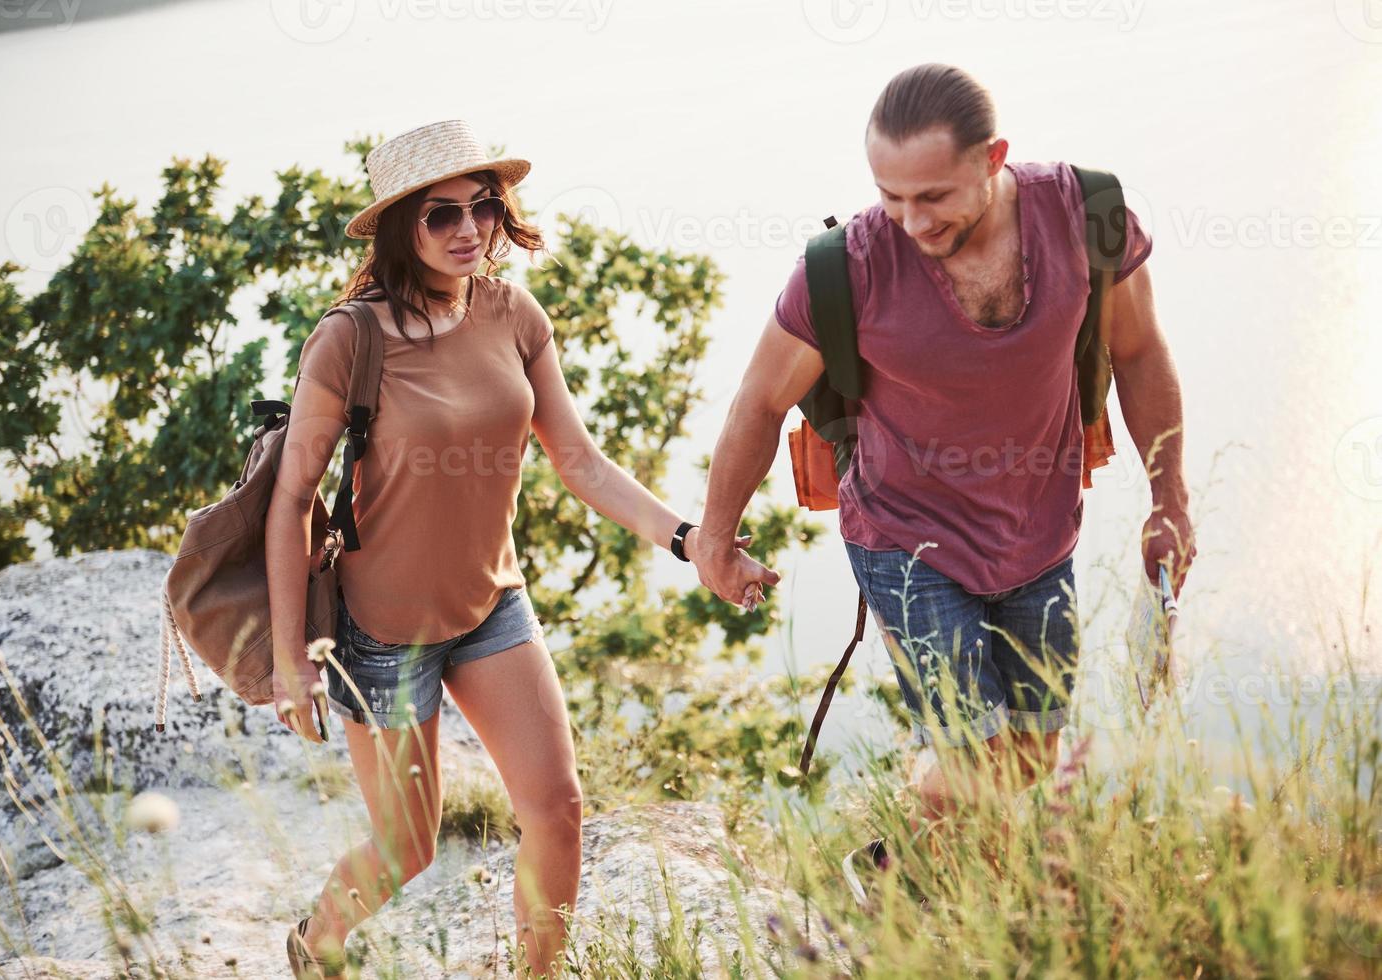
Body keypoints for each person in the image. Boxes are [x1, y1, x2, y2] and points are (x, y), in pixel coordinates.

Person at [265, 119, 774, 978]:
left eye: (485, 207)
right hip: (383, 632)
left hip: (492, 604)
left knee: (558, 807)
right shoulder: (350, 340)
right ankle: (313, 944)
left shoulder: (511, 312)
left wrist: (692, 541)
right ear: (401, 227)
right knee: (405, 848)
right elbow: (292, 499)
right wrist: (290, 660)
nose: (470, 230)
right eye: (441, 216)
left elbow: (578, 461)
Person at [692, 64, 1197, 900]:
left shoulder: (1087, 214)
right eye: (889, 195)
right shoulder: (848, 266)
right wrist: (714, 537)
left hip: (1039, 534)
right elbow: (757, 402)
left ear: (993, 157)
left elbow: (1141, 352)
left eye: (932, 196)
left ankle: (893, 868)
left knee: (1030, 750)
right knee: (974, 750)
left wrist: (1168, 499)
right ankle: (960, 920)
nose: (910, 220)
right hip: (904, 540)